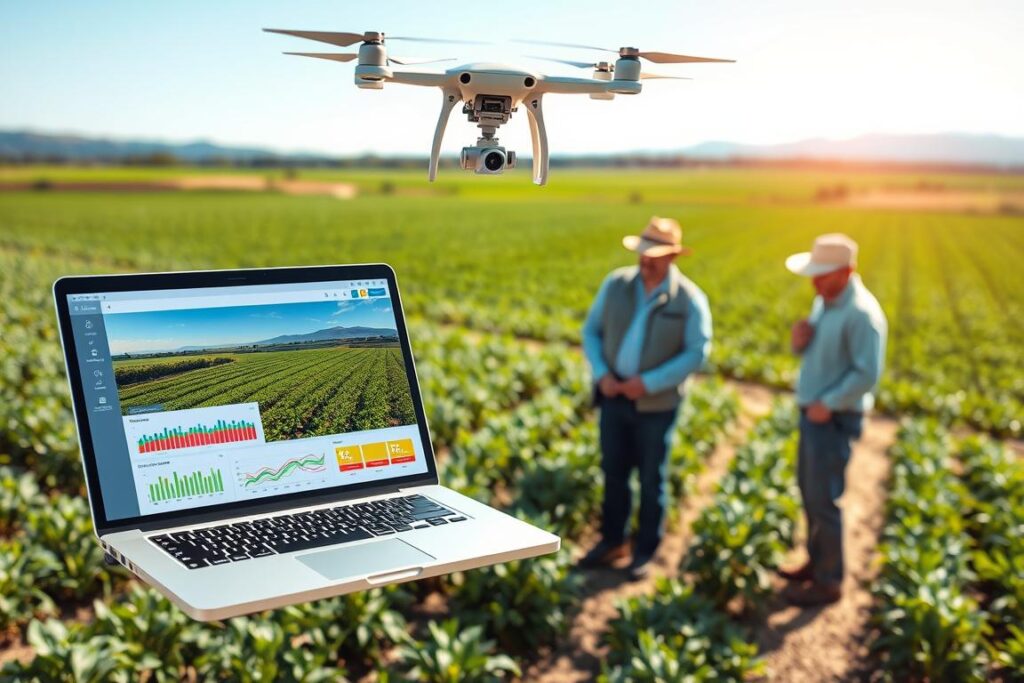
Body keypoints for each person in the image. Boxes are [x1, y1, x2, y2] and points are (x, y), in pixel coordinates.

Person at [578, 216, 712, 580]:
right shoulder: (616, 284)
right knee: (614, 472)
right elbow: (591, 332)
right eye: (643, 252)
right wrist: (602, 373)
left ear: (672, 258)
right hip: (613, 395)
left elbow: (697, 352)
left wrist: (649, 383)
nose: (645, 259)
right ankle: (613, 541)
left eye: (654, 254)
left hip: (656, 405)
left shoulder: (689, 299)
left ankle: (645, 551)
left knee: (653, 478)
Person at [779, 233, 887, 606]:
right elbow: (812, 350)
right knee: (810, 492)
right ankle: (815, 561)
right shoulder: (825, 301)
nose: (815, 281)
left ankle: (830, 581)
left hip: (834, 417)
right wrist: (799, 340)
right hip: (814, 412)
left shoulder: (862, 314)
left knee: (824, 499)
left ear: (847, 272)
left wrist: (829, 402)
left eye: (823, 275)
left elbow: (867, 374)